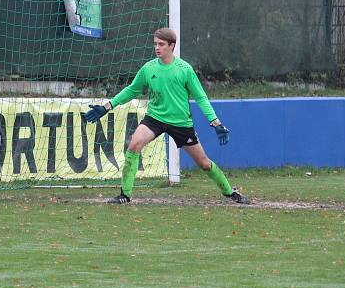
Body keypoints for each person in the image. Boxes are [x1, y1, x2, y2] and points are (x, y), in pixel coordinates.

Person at [83, 27, 250, 205]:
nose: (157, 47)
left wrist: (215, 122)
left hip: (180, 123)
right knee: (134, 145)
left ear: (172, 46)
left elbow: (200, 97)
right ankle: (125, 194)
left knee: (204, 164)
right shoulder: (148, 68)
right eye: (155, 44)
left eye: (161, 44)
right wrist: (107, 106)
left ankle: (229, 192)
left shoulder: (184, 69)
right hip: (154, 119)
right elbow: (132, 90)